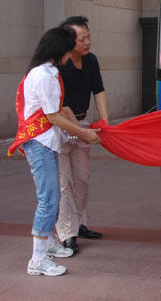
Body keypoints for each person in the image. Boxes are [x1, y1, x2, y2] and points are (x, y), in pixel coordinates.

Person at [8, 26, 101, 276]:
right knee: (48, 201)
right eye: (69, 50)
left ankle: (48, 244)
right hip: (40, 144)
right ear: (60, 50)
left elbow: (57, 113)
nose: (71, 55)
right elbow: (54, 116)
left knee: (53, 199)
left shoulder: (46, 71)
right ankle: (37, 259)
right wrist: (83, 133)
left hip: (46, 141)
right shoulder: (44, 76)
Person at [56, 16, 108, 254]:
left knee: (82, 179)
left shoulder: (90, 60)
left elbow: (99, 90)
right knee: (63, 183)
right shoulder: (57, 65)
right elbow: (61, 107)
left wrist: (105, 121)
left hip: (81, 122)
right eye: (81, 39)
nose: (87, 42)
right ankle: (66, 233)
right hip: (59, 127)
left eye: (88, 37)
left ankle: (78, 222)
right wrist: (81, 132)